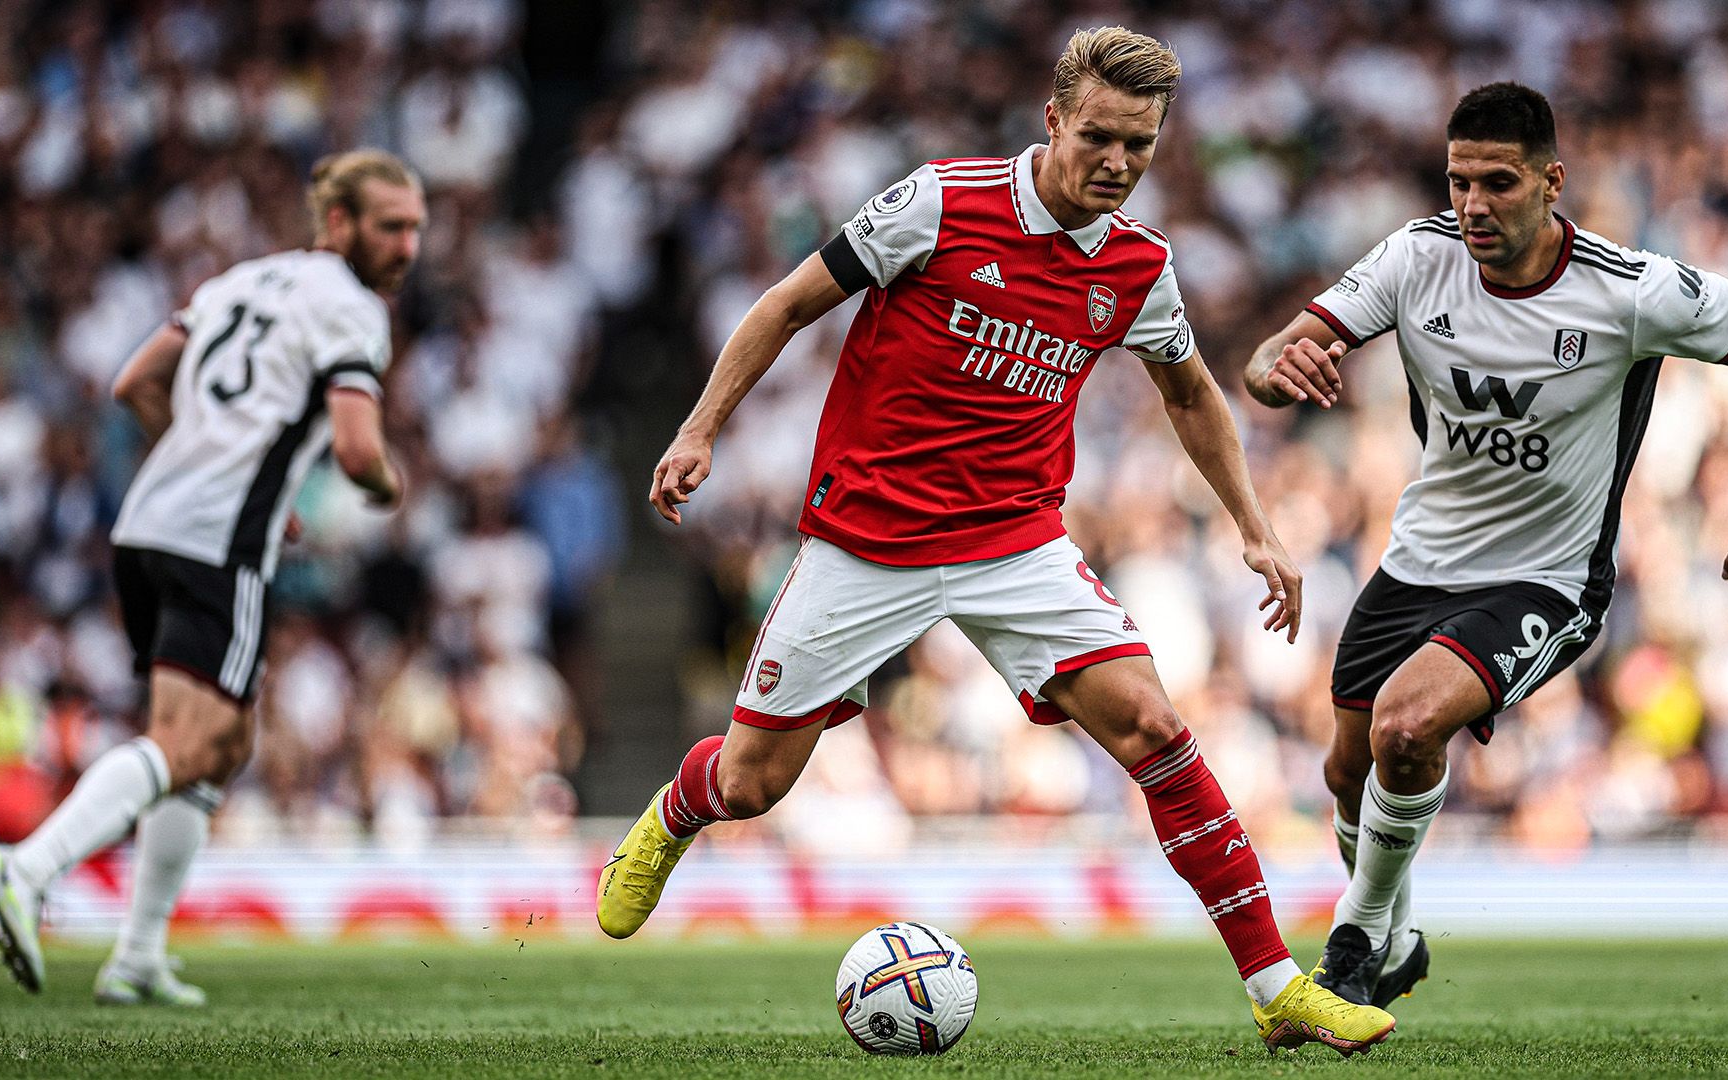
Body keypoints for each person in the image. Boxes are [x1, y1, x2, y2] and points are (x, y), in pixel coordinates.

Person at [597, 26, 1395, 1055]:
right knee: (751, 785)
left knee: (1154, 726)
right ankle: (674, 815)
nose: (1117, 162)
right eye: (1099, 136)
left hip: (1015, 543)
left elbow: (1192, 393)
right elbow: (788, 305)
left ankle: (1276, 985)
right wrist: (700, 428)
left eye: (1140, 144)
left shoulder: (1139, 264)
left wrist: (1255, 526)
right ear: (1053, 120)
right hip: (869, 539)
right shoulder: (941, 202)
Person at [1243, 83, 1728, 1007]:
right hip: (1417, 561)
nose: (1473, 204)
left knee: (1405, 727)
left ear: (1553, 182)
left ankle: (1355, 938)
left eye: (1498, 183)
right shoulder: (1417, 256)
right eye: (1459, 181)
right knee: (1348, 772)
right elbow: (1269, 356)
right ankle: (1398, 938)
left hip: (1547, 578)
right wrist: (1279, 369)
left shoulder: (1629, 290)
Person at [0, 149, 421, 1005]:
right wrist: (388, 486)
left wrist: (207, 457)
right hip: (220, 541)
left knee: (217, 741)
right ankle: (28, 869)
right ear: (338, 223)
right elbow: (359, 450)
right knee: (194, 742)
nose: (407, 247)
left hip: (148, 523)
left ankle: (138, 955)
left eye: (415, 230)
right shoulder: (353, 308)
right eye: (391, 227)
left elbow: (135, 382)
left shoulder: (240, 281)